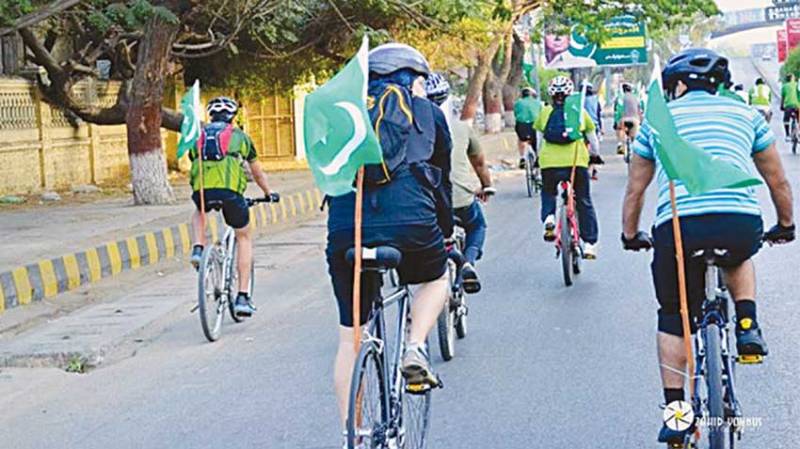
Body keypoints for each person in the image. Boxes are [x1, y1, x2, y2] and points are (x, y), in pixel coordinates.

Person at [622, 48, 795, 445]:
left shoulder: (657, 124)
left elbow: (636, 190)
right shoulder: (747, 115)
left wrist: (630, 235)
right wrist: (785, 225)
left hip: (679, 228)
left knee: (673, 315)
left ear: (678, 85)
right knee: (739, 252)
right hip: (737, 222)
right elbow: (777, 181)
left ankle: (677, 417)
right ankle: (747, 323)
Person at [325, 43, 452, 441]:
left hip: (350, 230)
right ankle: (414, 346)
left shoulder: (345, 118)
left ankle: (353, 434)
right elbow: (441, 180)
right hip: (414, 226)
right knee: (436, 277)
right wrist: (445, 232)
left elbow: (329, 174)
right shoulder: (429, 114)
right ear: (414, 80)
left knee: (351, 338)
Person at [188, 97, 274, 317]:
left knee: (199, 211)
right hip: (231, 195)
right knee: (243, 237)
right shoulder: (241, 138)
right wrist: (267, 193)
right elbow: (256, 171)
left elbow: (194, 161)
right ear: (233, 117)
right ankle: (243, 297)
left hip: (203, 192)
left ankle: (198, 248)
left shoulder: (198, 137)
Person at [426, 72, 493, 294]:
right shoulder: (461, 128)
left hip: (425, 201)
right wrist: (485, 186)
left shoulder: (410, 128)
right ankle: (469, 261)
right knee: (477, 225)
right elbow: (480, 162)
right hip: (461, 196)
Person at [533, 76, 600, 259]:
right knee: (584, 200)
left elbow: (539, 141)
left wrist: (539, 160)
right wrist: (595, 157)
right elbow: (593, 140)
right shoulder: (579, 113)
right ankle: (589, 245)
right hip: (575, 163)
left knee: (548, 192)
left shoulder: (544, 113)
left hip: (549, 164)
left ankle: (549, 218)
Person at [514, 87, 543, 168]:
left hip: (522, 125)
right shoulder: (538, 103)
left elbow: (516, 114)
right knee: (537, 141)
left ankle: (522, 157)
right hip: (534, 125)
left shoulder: (518, 103)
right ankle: (537, 157)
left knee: (521, 140)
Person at [582, 81, 604, 180]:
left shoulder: (580, 101)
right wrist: (601, 127)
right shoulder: (595, 100)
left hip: (581, 127)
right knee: (594, 147)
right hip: (593, 126)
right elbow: (598, 115)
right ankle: (593, 169)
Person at [616, 82, 643, 155]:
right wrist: (641, 121)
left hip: (624, 119)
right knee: (634, 137)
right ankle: (634, 150)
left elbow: (619, 110)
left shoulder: (621, 97)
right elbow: (640, 110)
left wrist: (616, 122)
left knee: (620, 129)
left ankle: (620, 145)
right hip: (635, 119)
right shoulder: (636, 98)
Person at [780, 73, 799, 141]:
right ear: (792, 79)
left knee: (786, 120)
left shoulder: (784, 86)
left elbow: (783, 97)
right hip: (798, 106)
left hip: (788, 106)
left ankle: (787, 135)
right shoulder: (797, 84)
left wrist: (781, 106)